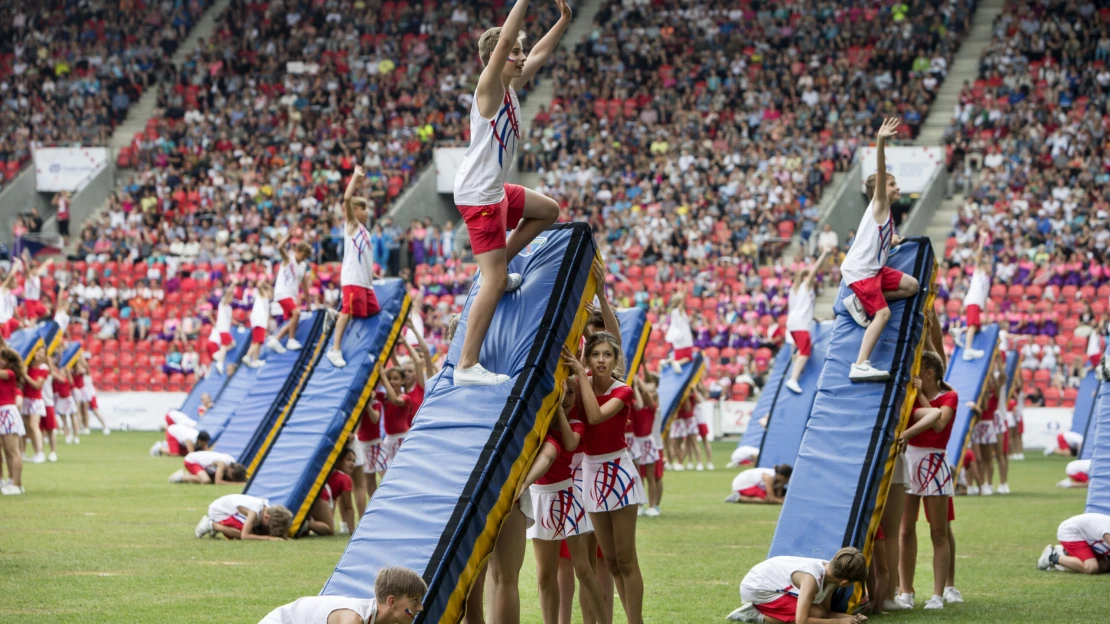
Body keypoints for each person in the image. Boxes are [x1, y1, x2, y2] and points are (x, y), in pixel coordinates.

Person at [451, 0, 566, 387]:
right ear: (496, 58)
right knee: (496, 282)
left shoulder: (512, 84)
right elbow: (504, 48)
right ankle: (467, 365)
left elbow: (541, 52)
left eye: (519, 51)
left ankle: (495, 269)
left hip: (494, 190)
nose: (520, 57)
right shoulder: (489, 89)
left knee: (547, 210)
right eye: (514, 51)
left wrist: (565, 19)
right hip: (479, 196)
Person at [564, 332, 646, 624]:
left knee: (626, 559)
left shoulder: (623, 390)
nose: (601, 360)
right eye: (596, 354)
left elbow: (596, 416)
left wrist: (580, 377)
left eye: (607, 355)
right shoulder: (576, 383)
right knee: (609, 561)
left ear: (615, 360)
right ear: (588, 357)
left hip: (618, 471)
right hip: (591, 472)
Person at [840, 118, 920, 382]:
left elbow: (877, 239)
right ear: (880, 191)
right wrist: (882, 140)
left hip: (874, 270)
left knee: (912, 286)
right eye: (892, 184)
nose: (897, 188)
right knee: (883, 314)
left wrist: (892, 242)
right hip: (861, 273)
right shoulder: (879, 204)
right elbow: (881, 168)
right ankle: (860, 364)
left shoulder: (885, 215)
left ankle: (861, 300)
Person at [522, 377, 607, 624]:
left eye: (571, 393)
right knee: (544, 576)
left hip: (567, 496)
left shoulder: (576, 424)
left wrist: (557, 408)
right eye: (562, 392)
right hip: (540, 499)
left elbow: (567, 445)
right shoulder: (537, 424)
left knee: (584, 570)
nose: (567, 398)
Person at [897, 350, 962, 611]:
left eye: (918, 370)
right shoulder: (910, 395)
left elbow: (938, 424)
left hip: (935, 462)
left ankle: (938, 594)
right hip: (908, 460)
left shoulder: (949, 396)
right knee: (904, 530)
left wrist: (921, 395)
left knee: (938, 530)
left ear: (929, 373)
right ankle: (906, 591)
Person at [328, 166, 382, 368]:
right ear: (356, 211)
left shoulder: (365, 233)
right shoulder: (352, 225)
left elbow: (365, 258)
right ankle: (334, 349)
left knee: (373, 311)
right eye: (364, 209)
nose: (367, 212)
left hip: (365, 283)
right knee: (348, 312)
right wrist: (355, 178)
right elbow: (346, 198)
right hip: (352, 280)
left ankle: (335, 315)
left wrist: (372, 274)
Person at [727, 547, 869, 623]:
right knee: (815, 614)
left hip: (767, 582)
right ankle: (754, 615)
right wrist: (839, 623)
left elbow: (825, 612)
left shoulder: (831, 576)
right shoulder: (811, 578)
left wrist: (848, 618)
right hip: (758, 588)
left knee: (818, 612)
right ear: (844, 582)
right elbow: (802, 621)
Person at [260, 566, 426, 624]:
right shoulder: (352, 619)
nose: (420, 607)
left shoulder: (383, 620)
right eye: (414, 600)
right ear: (391, 601)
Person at [785, 251, 828, 394]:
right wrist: (824, 253)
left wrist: (815, 318)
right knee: (805, 351)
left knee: (805, 346)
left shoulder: (795, 290)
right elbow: (815, 269)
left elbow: (802, 308)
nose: (814, 278)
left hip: (793, 324)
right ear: (805, 277)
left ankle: (796, 363)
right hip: (800, 325)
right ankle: (793, 379)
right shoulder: (805, 286)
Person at [268, 232, 312, 354]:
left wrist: (308, 304)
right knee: (296, 312)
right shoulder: (289, 259)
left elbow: (305, 288)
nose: (304, 258)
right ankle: (291, 340)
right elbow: (279, 247)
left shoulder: (303, 266)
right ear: (298, 251)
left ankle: (275, 340)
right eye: (304, 255)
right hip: (282, 293)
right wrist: (288, 235)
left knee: (293, 320)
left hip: (291, 296)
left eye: (307, 257)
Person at [194, 493, 292, 541]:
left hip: (229, 510)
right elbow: (244, 536)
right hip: (219, 511)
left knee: (254, 532)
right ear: (267, 517)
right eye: (269, 525)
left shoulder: (266, 509)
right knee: (243, 532)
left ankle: (218, 527)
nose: (268, 527)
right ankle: (212, 525)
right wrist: (268, 538)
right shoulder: (254, 512)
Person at [305, 447, 357, 537]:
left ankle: (305, 524)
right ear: (339, 461)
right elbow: (348, 507)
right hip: (321, 497)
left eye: (353, 461)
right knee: (329, 530)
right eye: (348, 460)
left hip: (313, 495)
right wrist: (352, 530)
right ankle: (305, 524)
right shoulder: (345, 478)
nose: (352, 464)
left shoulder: (330, 472)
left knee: (324, 525)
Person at [1038, 513, 1110, 574]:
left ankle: (1065, 554)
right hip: (1070, 531)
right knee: (1091, 567)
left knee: (1104, 566)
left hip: (1085, 534)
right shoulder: (1107, 531)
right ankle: (1052, 557)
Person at [958, 235, 990, 360]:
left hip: (977, 303)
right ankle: (968, 350)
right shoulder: (979, 272)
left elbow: (985, 299)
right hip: (972, 301)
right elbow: (978, 256)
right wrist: (982, 240)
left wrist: (986, 315)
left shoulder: (987, 281)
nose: (989, 267)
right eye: (987, 265)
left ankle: (959, 332)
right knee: (973, 326)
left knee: (976, 327)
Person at [0, 346, 26, 495]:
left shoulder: (9, 374)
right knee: (7, 451)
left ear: (10, 363)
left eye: (3, 359)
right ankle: (13, 481)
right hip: (2, 413)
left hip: (8, 414)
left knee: (14, 452)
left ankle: (16, 484)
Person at [378, 363, 412, 470]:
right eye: (390, 379)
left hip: (401, 438)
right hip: (388, 439)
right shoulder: (384, 396)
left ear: (403, 381)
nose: (392, 382)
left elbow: (395, 400)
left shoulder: (405, 398)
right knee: (386, 471)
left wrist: (384, 378)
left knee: (401, 469)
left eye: (396, 379)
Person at [20, 349, 50, 464]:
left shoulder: (44, 368)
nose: (39, 355)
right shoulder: (27, 365)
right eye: (38, 352)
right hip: (26, 398)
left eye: (42, 353)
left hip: (35, 400)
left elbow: (37, 385)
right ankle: (31, 452)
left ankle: (40, 453)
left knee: (34, 425)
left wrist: (26, 376)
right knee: (26, 428)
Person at [72, 357, 108, 434]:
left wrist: (78, 357)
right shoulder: (76, 372)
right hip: (83, 393)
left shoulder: (85, 372)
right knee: (82, 411)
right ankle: (85, 427)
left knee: (94, 410)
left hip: (90, 393)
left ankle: (105, 426)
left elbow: (84, 368)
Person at [169, 450, 247, 485]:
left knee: (211, 479)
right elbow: (218, 482)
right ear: (231, 469)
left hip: (203, 465)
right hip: (191, 461)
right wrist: (238, 484)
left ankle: (191, 475)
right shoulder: (222, 463)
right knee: (206, 481)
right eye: (231, 476)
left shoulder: (231, 461)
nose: (230, 477)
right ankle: (181, 477)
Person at [725, 465, 792, 504]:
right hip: (743, 485)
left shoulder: (780, 480)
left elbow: (777, 497)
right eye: (788, 479)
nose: (789, 481)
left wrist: (780, 498)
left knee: (769, 499)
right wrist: (783, 502)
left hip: (752, 485)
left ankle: (739, 497)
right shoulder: (769, 477)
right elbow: (771, 499)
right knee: (766, 499)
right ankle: (738, 498)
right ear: (783, 476)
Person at [244, 281, 274, 369]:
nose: (270, 294)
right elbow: (260, 285)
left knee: (257, 341)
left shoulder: (265, 300)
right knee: (257, 341)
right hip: (259, 321)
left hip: (260, 322)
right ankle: (251, 357)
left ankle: (252, 358)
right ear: (265, 291)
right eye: (270, 292)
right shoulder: (261, 296)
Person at [663, 292, 695, 374]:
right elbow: (684, 299)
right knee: (688, 357)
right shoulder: (679, 310)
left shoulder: (674, 311)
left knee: (677, 356)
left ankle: (666, 362)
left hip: (677, 336)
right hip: (684, 336)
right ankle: (678, 363)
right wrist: (687, 287)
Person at [207, 288, 236, 374]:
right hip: (223, 329)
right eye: (231, 297)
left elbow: (230, 319)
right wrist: (233, 284)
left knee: (232, 344)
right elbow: (227, 292)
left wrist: (239, 324)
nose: (232, 298)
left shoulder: (229, 308)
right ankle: (220, 363)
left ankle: (218, 354)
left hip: (226, 329)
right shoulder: (222, 304)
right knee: (224, 345)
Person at [19, 250, 52, 321]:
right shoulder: (29, 277)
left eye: (36, 269)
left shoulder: (37, 275)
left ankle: (38, 321)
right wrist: (26, 262)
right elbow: (27, 270)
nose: (36, 270)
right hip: (30, 300)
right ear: (31, 270)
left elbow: (41, 268)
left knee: (47, 312)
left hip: (36, 300)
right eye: (34, 269)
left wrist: (47, 262)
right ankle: (33, 324)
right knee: (32, 320)